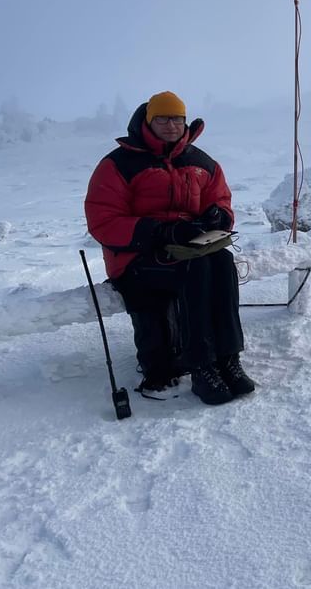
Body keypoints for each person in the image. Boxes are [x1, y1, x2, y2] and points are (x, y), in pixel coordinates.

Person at [84, 91, 254, 405]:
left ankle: (228, 358)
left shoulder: (201, 162)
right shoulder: (118, 164)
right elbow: (103, 221)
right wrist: (162, 231)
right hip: (135, 255)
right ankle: (201, 366)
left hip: (189, 248)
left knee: (222, 261)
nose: (171, 125)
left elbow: (221, 201)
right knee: (196, 268)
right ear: (148, 121)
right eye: (162, 118)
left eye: (177, 118)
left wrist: (218, 217)